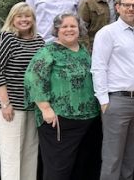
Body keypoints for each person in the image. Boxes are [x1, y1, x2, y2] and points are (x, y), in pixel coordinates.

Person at [24, 13, 100, 180]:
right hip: (59, 120)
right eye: (64, 26)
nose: (69, 30)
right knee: (58, 169)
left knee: (81, 167)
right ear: (57, 30)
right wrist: (45, 108)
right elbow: (33, 78)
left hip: (87, 120)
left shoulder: (84, 51)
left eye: (73, 26)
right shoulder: (48, 51)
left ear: (79, 29)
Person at [92, 0, 134, 180]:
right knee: (112, 157)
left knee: (131, 156)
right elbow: (98, 67)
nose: (131, 8)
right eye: (126, 5)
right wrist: (103, 100)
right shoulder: (107, 33)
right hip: (117, 101)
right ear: (118, 7)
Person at [0, 2, 45, 180]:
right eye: (19, 16)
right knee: (11, 154)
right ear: (12, 18)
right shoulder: (5, 38)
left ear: (33, 19)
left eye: (27, 16)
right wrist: (6, 104)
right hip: (8, 105)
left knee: (30, 151)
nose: (24, 19)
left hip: (31, 105)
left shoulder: (39, 40)